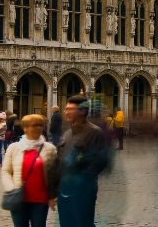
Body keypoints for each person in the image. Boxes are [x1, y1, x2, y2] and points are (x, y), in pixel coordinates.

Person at [56, 95, 110, 227]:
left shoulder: (94, 132)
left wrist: (81, 179)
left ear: (82, 111)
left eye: (70, 109)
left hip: (82, 190)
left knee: (83, 223)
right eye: (66, 109)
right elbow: (59, 161)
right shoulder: (67, 133)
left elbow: (101, 161)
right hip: (63, 189)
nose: (66, 112)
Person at [1, 114, 59, 227]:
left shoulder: (50, 149)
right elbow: (6, 171)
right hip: (18, 198)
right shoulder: (14, 148)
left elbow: (54, 174)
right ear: (25, 128)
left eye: (40, 125)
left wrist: (53, 195)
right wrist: (11, 188)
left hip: (40, 200)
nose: (38, 128)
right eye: (34, 125)